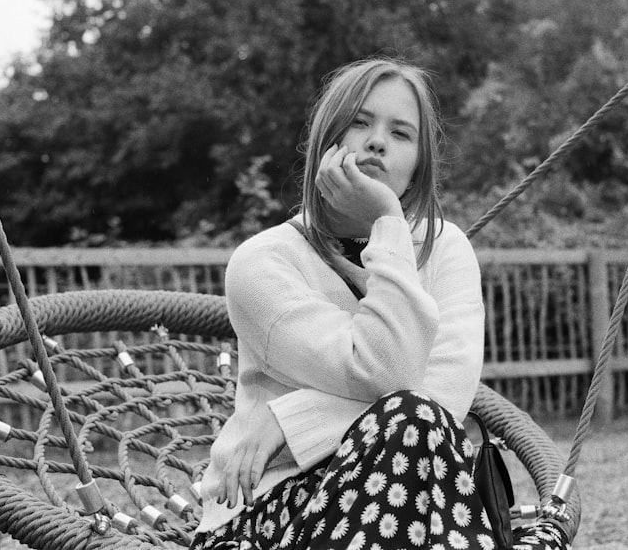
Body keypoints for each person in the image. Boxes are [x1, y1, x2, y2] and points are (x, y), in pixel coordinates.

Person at [192, 58, 569, 549]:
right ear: (327, 141)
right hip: (268, 512)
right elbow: (384, 371)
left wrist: (291, 419)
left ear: (417, 170)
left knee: (416, 421)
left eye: (401, 133)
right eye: (360, 122)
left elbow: (443, 397)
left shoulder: (445, 248)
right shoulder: (263, 263)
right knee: (411, 419)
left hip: (414, 498)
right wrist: (390, 226)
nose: (377, 142)